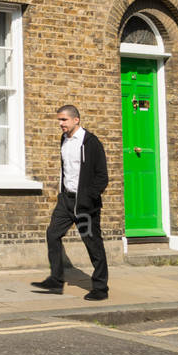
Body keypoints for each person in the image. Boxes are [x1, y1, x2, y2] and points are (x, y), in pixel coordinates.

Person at [32, 104, 110, 301]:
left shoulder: (91, 143)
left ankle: (100, 288)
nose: (60, 124)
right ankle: (56, 279)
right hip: (66, 201)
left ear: (76, 120)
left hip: (85, 204)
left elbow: (102, 177)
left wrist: (88, 197)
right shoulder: (64, 140)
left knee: (93, 245)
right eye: (59, 120)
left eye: (64, 120)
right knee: (52, 234)